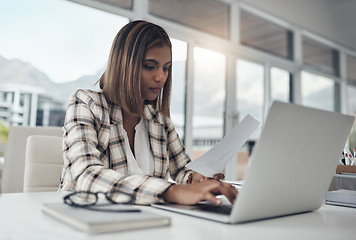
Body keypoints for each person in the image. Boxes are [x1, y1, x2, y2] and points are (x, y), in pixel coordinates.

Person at [59, 20, 237, 205]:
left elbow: (182, 169)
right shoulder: (86, 103)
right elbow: (85, 175)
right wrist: (169, 191)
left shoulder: (159, 119)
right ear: (124, 65)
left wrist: (196, 179)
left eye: (166, 68)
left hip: (148, 218)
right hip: (88, 218)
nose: (161, 77)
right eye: (150, 66)